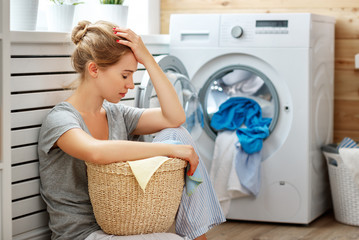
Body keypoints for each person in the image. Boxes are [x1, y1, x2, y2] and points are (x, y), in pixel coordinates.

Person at [38, 20, 225, 240]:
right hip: (83, 235)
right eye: (125, 75)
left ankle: (198, 236)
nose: (130, 85)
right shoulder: (61, 119)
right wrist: (170, 151)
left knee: (178, 135)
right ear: (94, 69)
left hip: (126, 226)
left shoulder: (117, 114)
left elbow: (174, 117)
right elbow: (96, 152)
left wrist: (148, 59)